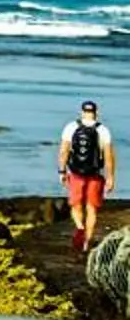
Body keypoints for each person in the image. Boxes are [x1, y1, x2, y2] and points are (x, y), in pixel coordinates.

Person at [63, 100, 117, 251]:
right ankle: (86, 243)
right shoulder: (103, 130)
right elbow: (108, 157)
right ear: (96, 113)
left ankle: (80, 227)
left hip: (76, 174)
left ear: (82, 112)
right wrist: (110, 177)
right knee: (91, 208)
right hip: (95, 175)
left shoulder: (71, 127)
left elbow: (64, 151)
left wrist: (62, 171)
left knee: (76, 205)